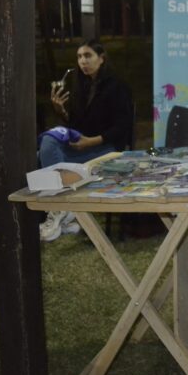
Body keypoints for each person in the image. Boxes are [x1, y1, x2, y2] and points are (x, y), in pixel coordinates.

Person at [39, 39, 133, 241]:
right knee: (48, 142)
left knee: (55, 161)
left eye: (88, 56)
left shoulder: (117, 86)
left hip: (106, 148)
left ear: (101, 58)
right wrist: (61, 111)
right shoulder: (80, 86)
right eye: (79, 57)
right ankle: (63, 210)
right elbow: (76, 125)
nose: (83, 61)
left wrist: (92, 141)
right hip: (82, 146)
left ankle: (60, 209)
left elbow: (122, 127)